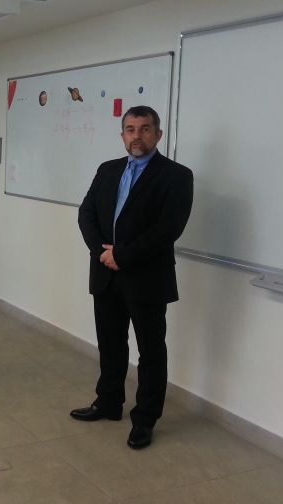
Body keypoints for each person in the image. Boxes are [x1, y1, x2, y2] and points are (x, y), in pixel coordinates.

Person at [71, 105, 193, 449]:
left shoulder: (176, 175)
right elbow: (86, 214)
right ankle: (108, 403)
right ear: (122, 134)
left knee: (151, 352)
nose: (136, 136)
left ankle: (145, 419)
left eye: (144, 129)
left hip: (146, 278)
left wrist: (120, 255)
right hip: (105, 274)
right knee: (110, 344)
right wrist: (102, 252)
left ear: (158, 134)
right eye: (130, 129)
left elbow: (168, 228)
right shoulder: (108, 169)